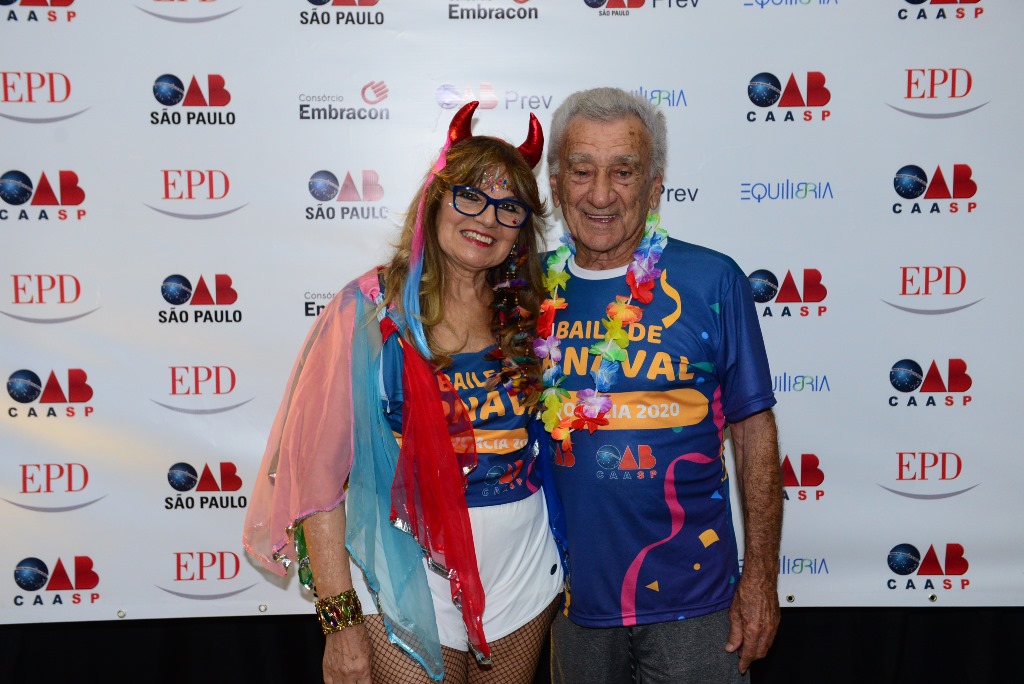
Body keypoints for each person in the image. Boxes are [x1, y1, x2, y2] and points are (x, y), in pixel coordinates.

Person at [243, 102, 563, 684]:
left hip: (520, 561)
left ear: (523, 227)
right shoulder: (369, 310)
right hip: (403, 564)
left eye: (509, 207)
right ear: (435, 200)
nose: (487, 219)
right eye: (470, 196)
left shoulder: (533, 311)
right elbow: (318, 478)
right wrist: (340, 624)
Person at [534, 87, 782, 683]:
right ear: (556, 184)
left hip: (697, 603)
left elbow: (754, 434)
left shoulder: (712, 280)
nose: (601, 195)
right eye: (582, 171)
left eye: (623, 172)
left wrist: (761, 578)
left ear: (655, 187)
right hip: (569, 602)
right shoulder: (526, 291)